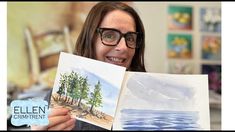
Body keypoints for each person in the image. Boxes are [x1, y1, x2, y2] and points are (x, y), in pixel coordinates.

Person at [31, 1, 146, 130]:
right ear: (90, 40)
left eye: (130, 38)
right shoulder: (58, 99)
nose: (123, 47)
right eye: (109, 35)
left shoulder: (148, 97)